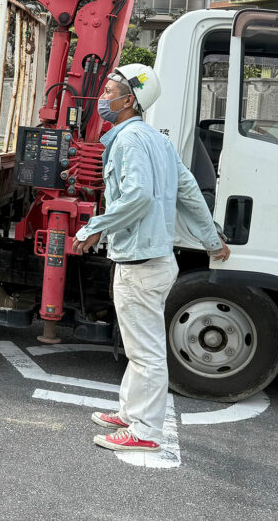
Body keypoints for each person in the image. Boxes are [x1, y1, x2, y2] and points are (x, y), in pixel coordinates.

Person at [71, 63, 231, 453]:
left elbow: (138, 196)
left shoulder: (128, 141)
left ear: (130, 100)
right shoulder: (157, 141)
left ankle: (145, 430)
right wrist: (211, 240)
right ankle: (130, 413)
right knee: (138, 346)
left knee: (146, 352)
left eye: (109, 92)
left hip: (140, 264)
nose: (102, 97)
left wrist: (94, 227)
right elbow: (190, 192)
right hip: (154, 261)